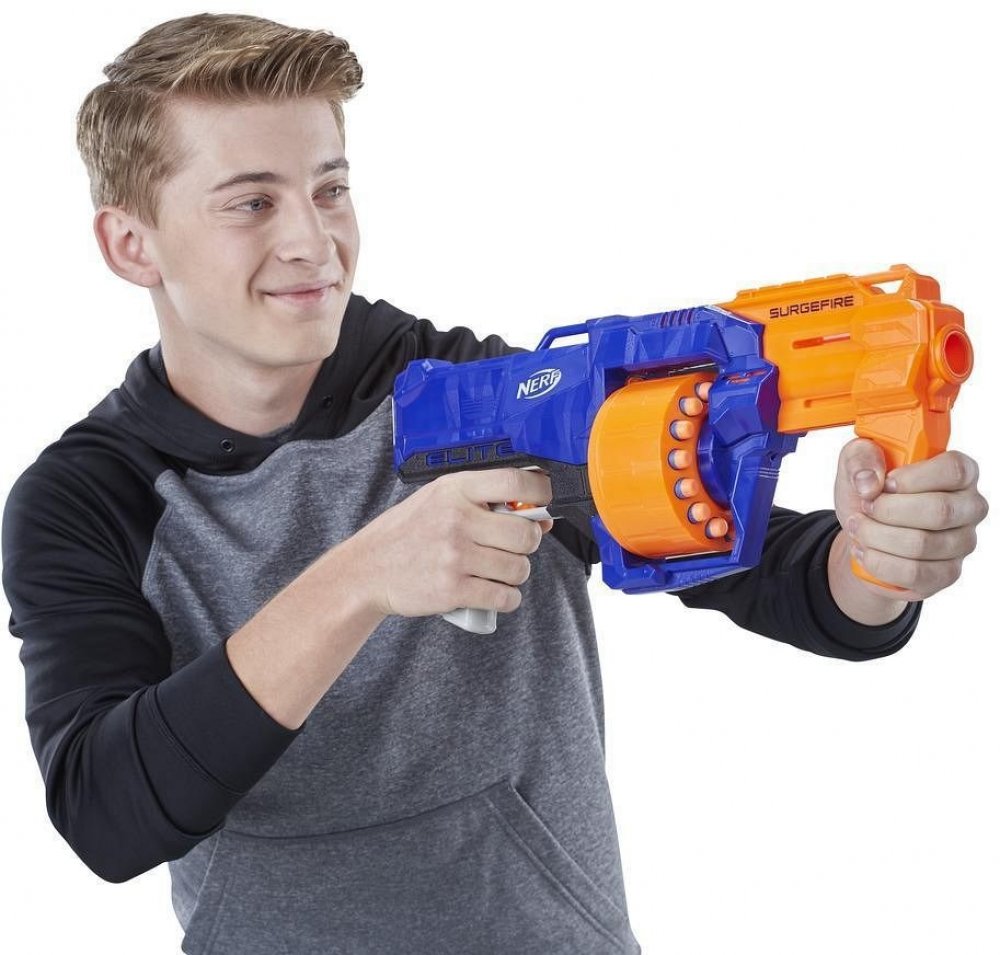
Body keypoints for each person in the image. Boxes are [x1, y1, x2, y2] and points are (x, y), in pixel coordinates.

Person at [0, 12, 988, 955]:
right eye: (252, 202)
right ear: (130, 244)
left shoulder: (482, 396)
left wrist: (874, 561)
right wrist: (358, 581)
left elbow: (777, 574)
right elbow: (106, 814)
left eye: (330, 189)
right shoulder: (87, 500)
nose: (312, 240)